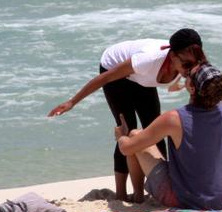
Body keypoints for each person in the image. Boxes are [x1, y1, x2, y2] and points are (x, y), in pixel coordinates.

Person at [47, 29, 207, 201]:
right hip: (114, 69)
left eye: (195, 63)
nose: (192, 68)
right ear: (173, 56)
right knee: (126, 129)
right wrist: (72, 102)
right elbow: (106, 78)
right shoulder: (148, 60)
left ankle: (156, 187)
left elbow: (206, 85)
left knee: (155, 128)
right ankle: (121, 194)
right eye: (186, 65)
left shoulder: (192, 62)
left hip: (142, 78)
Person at [114, 63, 222, 209]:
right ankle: (139, 195)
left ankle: (138, 196)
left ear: (192, 88)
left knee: (133, 136)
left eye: (188, 75)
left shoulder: (174, 118)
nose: (184, 75)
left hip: (187, 200)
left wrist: (121, 137)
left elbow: (126, 149)